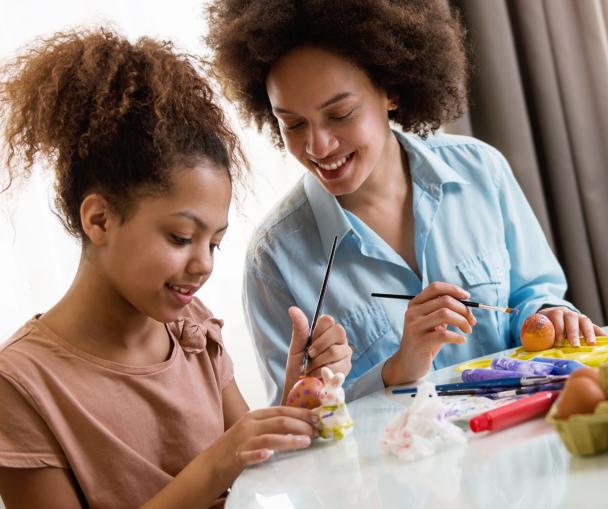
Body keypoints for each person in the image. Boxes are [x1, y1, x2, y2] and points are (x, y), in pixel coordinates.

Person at [0, 29, 350, 509]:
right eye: (181, 238)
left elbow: (256, 473)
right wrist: (216, 463)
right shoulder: (21, 385)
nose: (203, 264)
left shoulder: (191, 326)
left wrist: (295, 402)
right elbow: (226, 462)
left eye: (215, 243)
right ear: (98, 219)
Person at [206, 0, 605, 403]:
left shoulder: (480, 170)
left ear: (391, 90)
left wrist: (550, 314)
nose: (317, 145)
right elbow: (294, 425)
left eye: (340, 114)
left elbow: (532, 294)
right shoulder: (275, 259)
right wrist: (396, 370)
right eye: (291, 123)